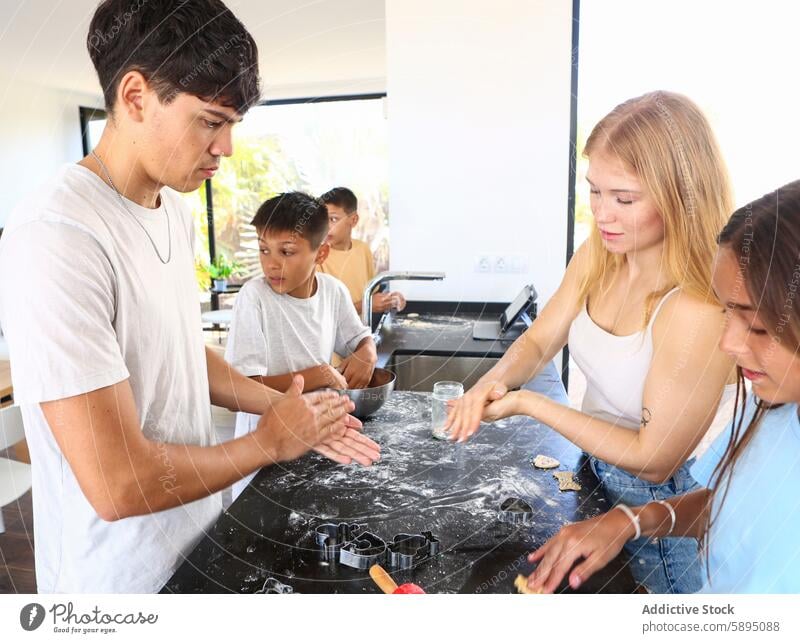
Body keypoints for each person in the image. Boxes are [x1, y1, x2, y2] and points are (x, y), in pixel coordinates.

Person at [0, 0, 379, 593]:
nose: (226, 147)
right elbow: (116, 481)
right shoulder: (56, 235)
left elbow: (179, 353)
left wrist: (283, 411)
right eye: (210, 120)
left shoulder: (172, 211)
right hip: (119, 582)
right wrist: (266, 442)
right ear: (135, 97)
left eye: (233, 124)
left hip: (196, 536)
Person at [446, 91, 737, 593]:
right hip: (596, 475)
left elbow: (655, 458)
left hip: (661, 517)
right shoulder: (601, 252)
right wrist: (489, 386)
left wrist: (528, 404)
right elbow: (539, 341)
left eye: (624, 199)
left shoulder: (695, 308)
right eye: (594, 191)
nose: (603, 214)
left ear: (682, 196)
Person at [522, 181, 800, 594]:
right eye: (728, 314)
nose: (728, 344)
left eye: (757, 326)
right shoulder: (771, 411)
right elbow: (730, 503)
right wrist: (632, 521)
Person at [225, 192, 378, 499]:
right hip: (264, 455)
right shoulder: (254, 298)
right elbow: (241, 389)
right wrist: (318, 374)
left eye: (287, 252)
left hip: (316, 440)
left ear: (321, 253)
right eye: (264, 250)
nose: (272, 264)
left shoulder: (333, 292)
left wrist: (368, 353)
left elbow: (360, 338)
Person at [318, 187, 406, 314]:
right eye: (322, 219)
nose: (326, 226)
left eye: (333, 219)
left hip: (361, 332)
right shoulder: (316, 258)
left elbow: (372, 294)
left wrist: (389, 300)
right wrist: (366, 305)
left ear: (353, 220)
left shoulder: (363, 249)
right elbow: (323, 314)